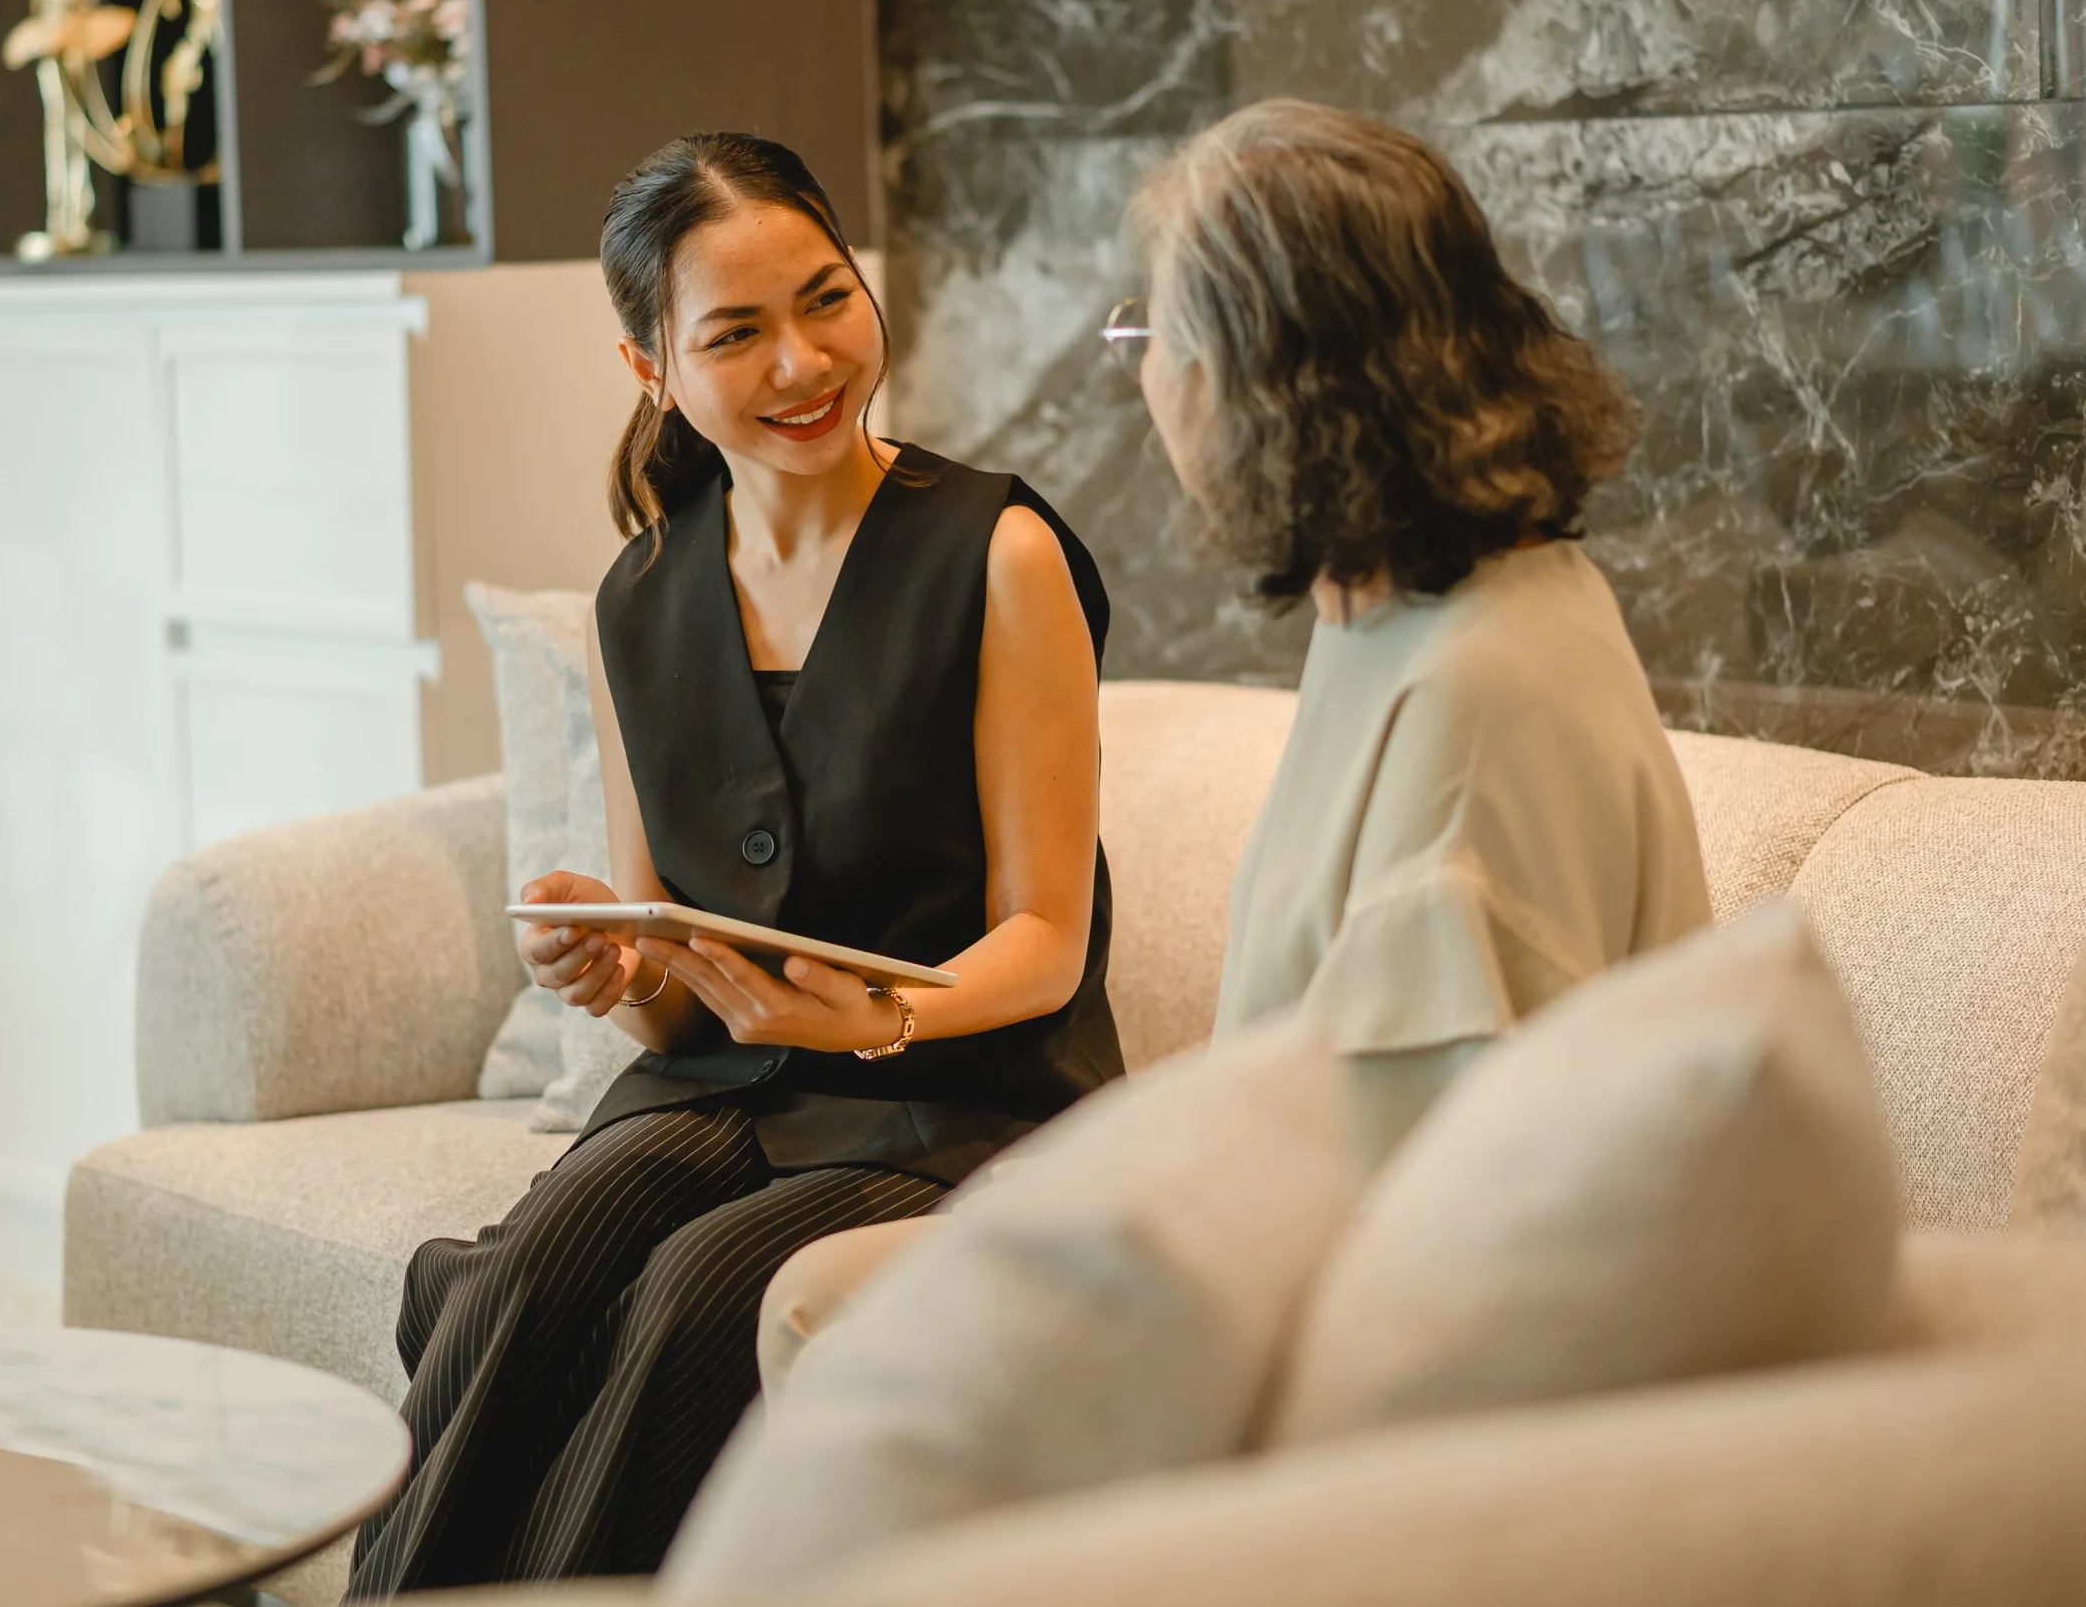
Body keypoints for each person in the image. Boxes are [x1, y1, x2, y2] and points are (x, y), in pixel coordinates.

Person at [751, 96, 1713, 1390]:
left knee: (823, 1309)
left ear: (1259, 379)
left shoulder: (1471, 696)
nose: (1144, 379)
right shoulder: (1404, 601)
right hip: (1298, 1220)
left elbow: (1408, 1196)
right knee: (802, 1287)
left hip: (1388, 1323)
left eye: (1150, 331)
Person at [344, 132, 1122, 1596]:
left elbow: (1047, 933)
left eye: (827, 300)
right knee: (527, 1269)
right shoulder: (639, 597)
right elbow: (678, 998)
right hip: (722, 1093)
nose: (804, 360)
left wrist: (881, 1017)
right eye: (738, 333)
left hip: (962, 1103)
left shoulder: (996, 552)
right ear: (653, 367)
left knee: (701, 1296)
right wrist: (617, 966)